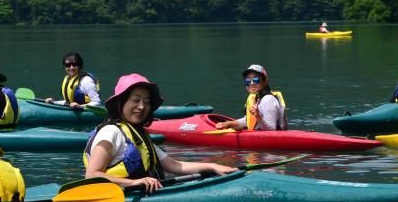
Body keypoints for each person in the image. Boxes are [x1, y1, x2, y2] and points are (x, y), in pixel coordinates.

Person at [84, 73, 236, 194]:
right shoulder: (111, 132)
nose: (142, 106)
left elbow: (175, 166)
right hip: (117, 199)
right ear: (121, 102)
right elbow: (91, 175)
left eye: (147, 102)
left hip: (141, 195)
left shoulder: (139, 136)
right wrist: (134, 182)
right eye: (135, 100)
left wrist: (214, 166)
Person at [214, 64, 288, 131]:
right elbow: (248, 120)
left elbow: (271, 129)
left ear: (265, 81)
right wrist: (228, 124)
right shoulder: (257, 98)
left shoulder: (268, 99)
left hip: (273, 141)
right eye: (247, 81)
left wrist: (257, 116)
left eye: (256, 80)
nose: (251, 83)